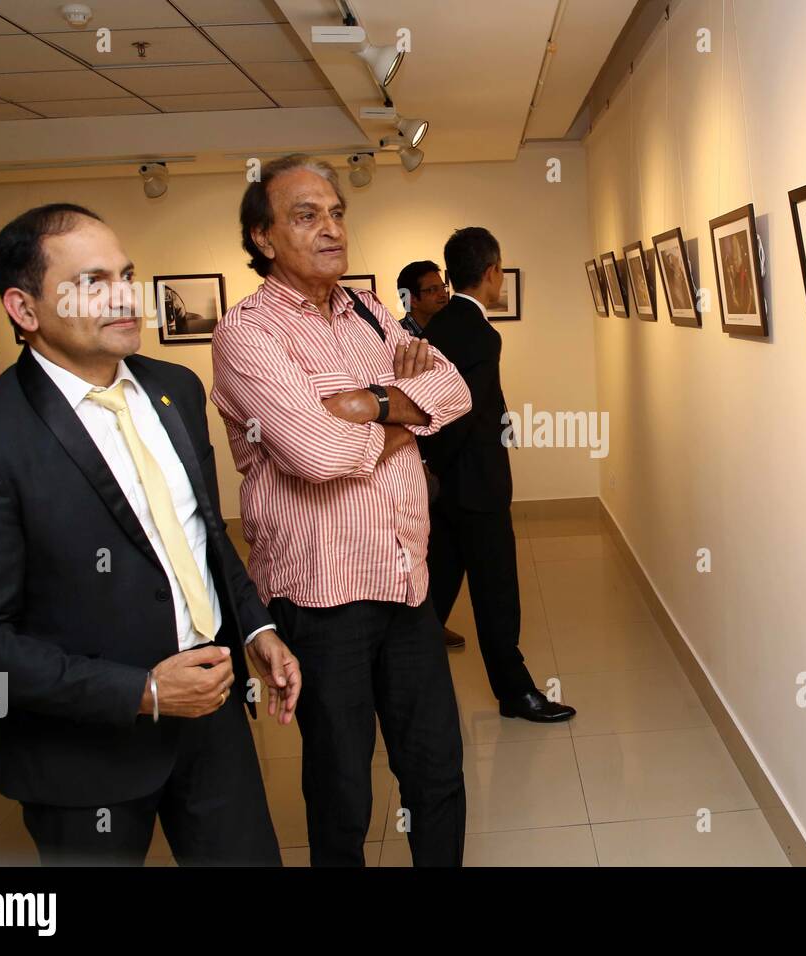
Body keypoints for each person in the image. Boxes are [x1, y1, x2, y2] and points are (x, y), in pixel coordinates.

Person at [0, 204, 298, 865]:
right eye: (92, 282)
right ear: (24, 308)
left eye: (126, 274)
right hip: (81, 755)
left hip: (212, 720)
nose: (125, 295)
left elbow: (202, 535)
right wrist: (144, 692)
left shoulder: (174, 388)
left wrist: (256, 628)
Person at [211, 155, 472, 867]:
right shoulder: (248, 334)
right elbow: (315, 454)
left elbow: (454, 390)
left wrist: (372, 404)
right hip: (324, 598)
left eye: (335, 212)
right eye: (305, 216)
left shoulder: (366, 309)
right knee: (341, 791)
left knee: (436, 773)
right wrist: (404, 418)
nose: (330, 229)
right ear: (264, 237)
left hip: (405, 580)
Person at [420, 227, 576, 723]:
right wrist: (444, 467)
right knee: (496, 595)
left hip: (446, 489)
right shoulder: (481, 333)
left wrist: (430, 471)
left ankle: (404, 683)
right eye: (501, 269)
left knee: (437, 587)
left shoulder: (438, 325)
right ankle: (515, 693)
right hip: (475, 490)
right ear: (492, 273)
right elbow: (461, 411)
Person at [395, 260, 465, 648]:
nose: (442, 294)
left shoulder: (446, 331)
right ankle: (420, 629)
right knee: (422, 542)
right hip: (411, 456)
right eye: (432, 290)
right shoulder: (400, 341)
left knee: (442, 543)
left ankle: (431, 621)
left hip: (445, 450)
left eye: (443, 287)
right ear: (409, 299)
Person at [396, 259, 451, 337]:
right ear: (412, 300)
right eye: (433, 289)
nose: (444, 294)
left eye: (443, 287)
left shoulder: (452, 330)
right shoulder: (396, 337)